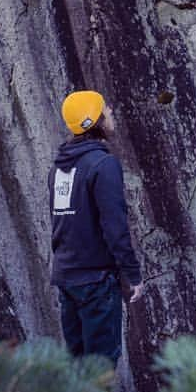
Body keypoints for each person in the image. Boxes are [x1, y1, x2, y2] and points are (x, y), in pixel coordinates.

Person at [50, 90, 143, 368]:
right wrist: (133, 274)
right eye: (107, 109)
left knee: (77, 362)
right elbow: (114, 227)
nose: (111, 110)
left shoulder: (59, 168)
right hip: (95, 281)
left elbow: (61, 223)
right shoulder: (103, 165)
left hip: (67, 277)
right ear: (97, 120)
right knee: (100, 364)